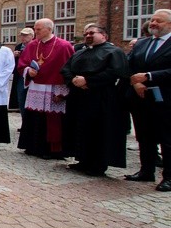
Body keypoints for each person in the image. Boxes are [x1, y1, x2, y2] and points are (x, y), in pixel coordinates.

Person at [61, 24, 129, 177]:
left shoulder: (114, 52)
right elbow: (66, 69)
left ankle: (98, 164)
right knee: (80, 129)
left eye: (92, 33)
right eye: (86, 34)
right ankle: (83, 159)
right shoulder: (80, 52)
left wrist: (88, 81)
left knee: (99, 131)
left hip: (101, 98)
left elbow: (116, 72)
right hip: (79, 97)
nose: (88, 36)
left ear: (104, 36)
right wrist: (73, 80)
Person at [124, 9, 171, 191]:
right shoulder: (142, 43)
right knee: (144, 136)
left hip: (165, 98)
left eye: (158, 21)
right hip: (140, 97)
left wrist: (149, 76)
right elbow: (128, 65)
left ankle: (168, 176)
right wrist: (135, 83)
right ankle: (146, 170)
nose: (153, 23)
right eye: (152, 20)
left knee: (167, 138)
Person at [17, 18, 75, 159]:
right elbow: (22, 65)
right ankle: (33, 146)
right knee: (35, 118)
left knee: (53, 121)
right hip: (36, 86)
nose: (35, 32)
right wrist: (28, 71)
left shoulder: (64, 46)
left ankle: (53, 150)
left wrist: (62, 92)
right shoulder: (32, 45)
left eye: (39, 29)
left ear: (49, 29)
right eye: (35, 29)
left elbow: (69, 69)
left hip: (54, 88)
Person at [8, 27, 34, 117]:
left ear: (31, 36)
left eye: (25, 35)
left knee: (31, 99)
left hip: (32, 76)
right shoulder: (19, 46)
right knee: (21, 98)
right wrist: (14, 56)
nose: (23, 37)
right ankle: (24, 123)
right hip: (20, 75)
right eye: (22, 35)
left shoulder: (35, 46)